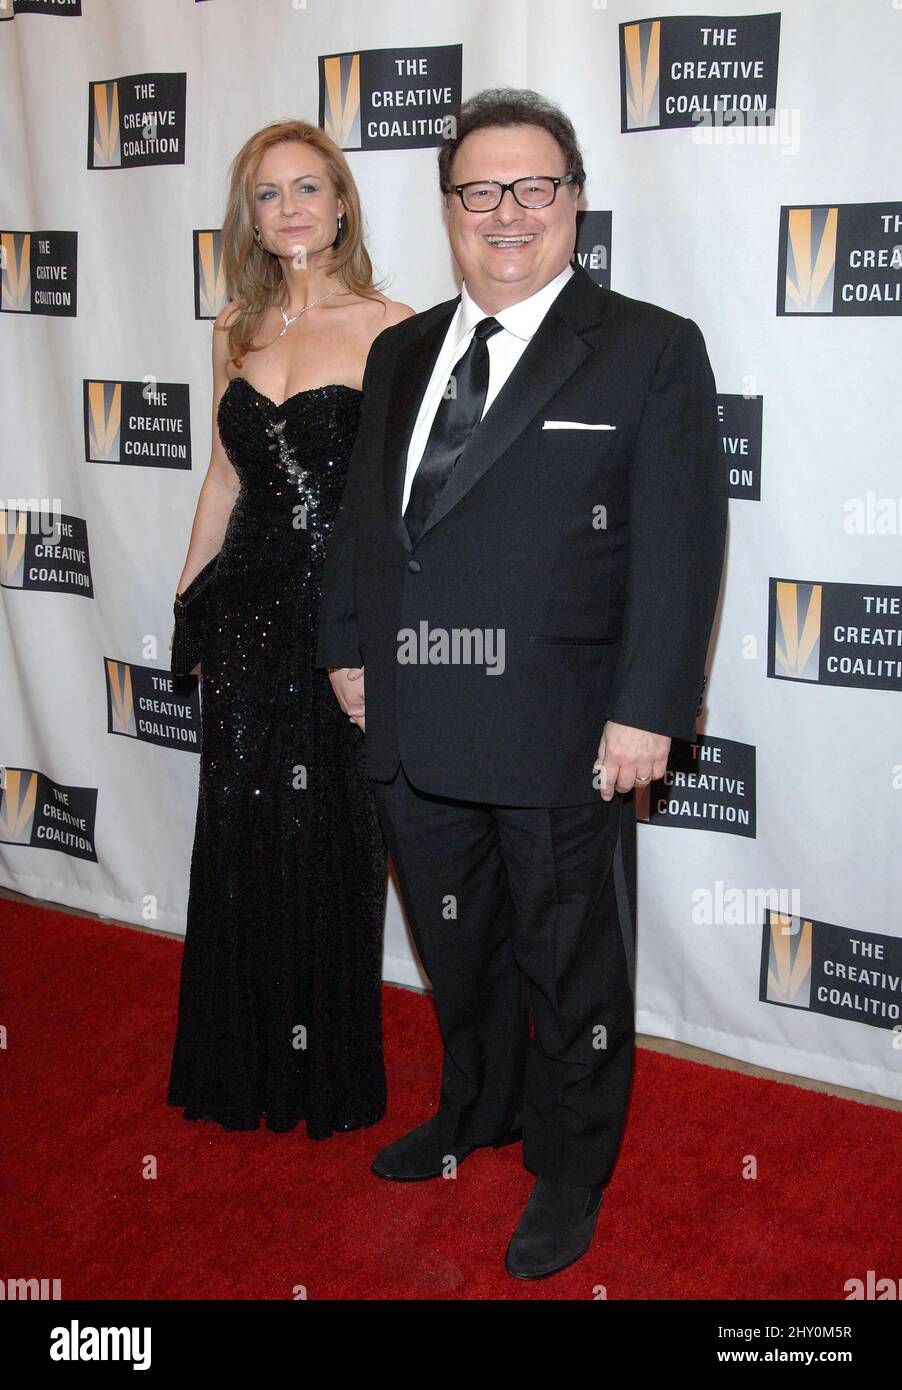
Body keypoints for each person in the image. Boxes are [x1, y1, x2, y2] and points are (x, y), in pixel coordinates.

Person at [316, 89, 727, 1276]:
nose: (507, 212)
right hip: (409, 717)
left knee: (569, 959)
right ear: (447, 207)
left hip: (563, 731)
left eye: (532, 186)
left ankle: (571, 1162)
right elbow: (362, 525)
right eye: (478, 190)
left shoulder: (649, 345)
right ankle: (479, 1103)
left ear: (574, 201)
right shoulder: (400, 350)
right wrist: (349, 650)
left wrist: (649, 708)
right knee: (459, 945)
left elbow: (679, 542)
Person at [167, 119, 414, 1139]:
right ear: (250, 218)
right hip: (246, 611)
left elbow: (406, 496)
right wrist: (185, 601)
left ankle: (325, 1071)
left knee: (335, 840)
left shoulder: (393, 324)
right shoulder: (235, 325)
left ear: (343, 202)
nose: (290, 209)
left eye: (308, 187)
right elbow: (222, 477)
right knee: (244, 828)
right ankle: (246, 1055)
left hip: (340, 617)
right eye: (267, 195)